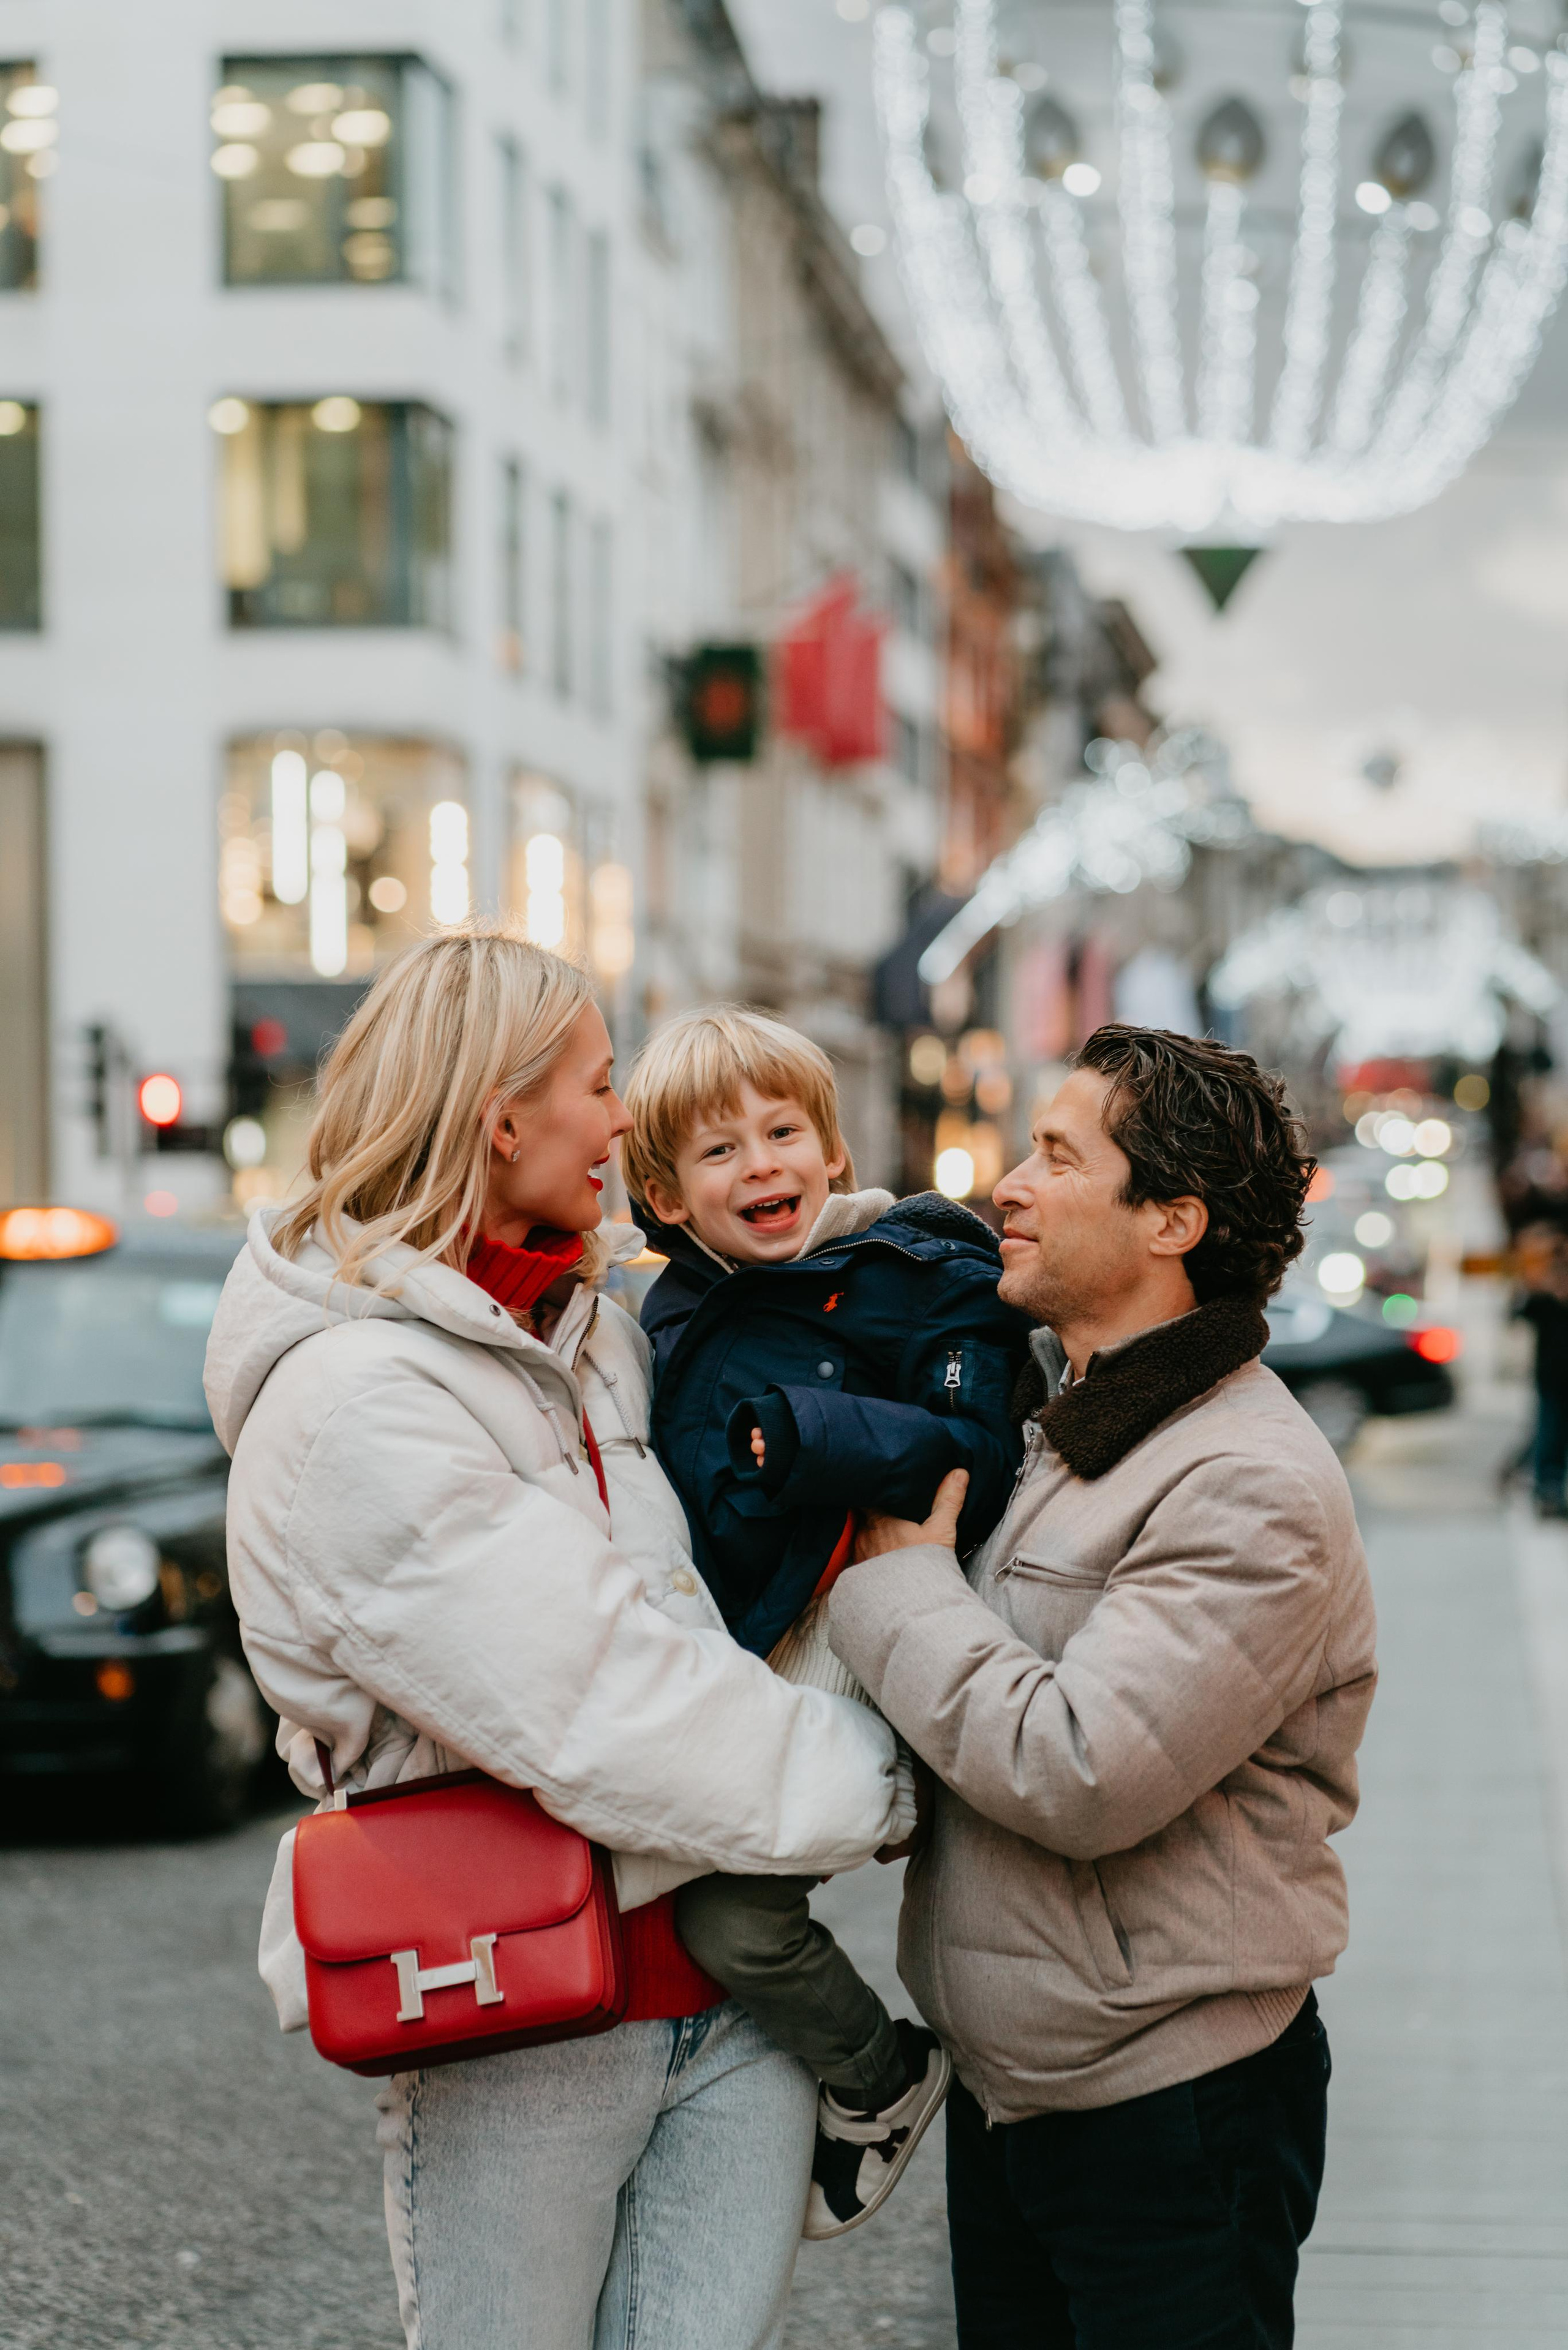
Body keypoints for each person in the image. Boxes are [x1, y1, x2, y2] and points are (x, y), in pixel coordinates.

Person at [202, 927, 914, 2350]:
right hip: (521, 2026)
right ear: (498, 1114)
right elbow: (600, 1700)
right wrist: (898, 1785)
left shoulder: (590, 1334)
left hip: (728, 2010)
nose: (622, 1116)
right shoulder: (357, 1399)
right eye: (598, 1084)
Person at [826, 1024, 1378, 2349]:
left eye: (1055, 1157)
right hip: (1022, 2090)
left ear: (1168, 1222)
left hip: (1170, 2112)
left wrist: (889, 1583)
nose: (1007, 1183)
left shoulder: (1244, 1480)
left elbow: (1076, 1768)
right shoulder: (1075, 1421)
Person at [621, 1005, 1030, 2235]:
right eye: (719, 1149)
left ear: (834, 1148)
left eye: (783, 1130)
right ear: (664, 1195)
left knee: (728, 1913)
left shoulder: (918, 1282)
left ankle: (878, 2074)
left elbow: (979, 1447)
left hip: (857, 1630)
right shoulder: (671, 1314)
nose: (762, 1165)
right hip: (747, 1636)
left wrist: (814, 1440)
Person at [1513, 1221, 1568, 1516]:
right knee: (1550, 1427)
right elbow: (1520, 1313)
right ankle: (1548, 1489)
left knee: (1551, 1429)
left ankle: (1548, 1486)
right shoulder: (1542, 1290)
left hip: (1551, 1371)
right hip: (1552, 1373)